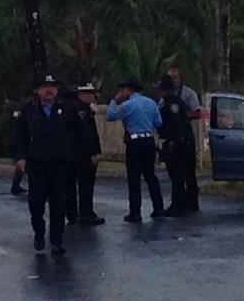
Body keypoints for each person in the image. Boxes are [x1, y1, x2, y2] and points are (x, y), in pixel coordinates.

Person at [12, 72, 80, 256]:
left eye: (52, 87)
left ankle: (57, 241)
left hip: (59, 163)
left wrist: (72, 155)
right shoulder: (29, 110)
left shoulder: (67, 108)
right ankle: (39, 233)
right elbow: (19, 136)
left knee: (59, 204)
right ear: (38, 90)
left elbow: (78, 133)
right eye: (44, 87)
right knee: (36, 204)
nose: (49, 91)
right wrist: (21, 157)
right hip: (37, 164)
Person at [106, 75, 164, 223]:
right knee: (150, 175)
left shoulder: (128, 105)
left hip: (135, 142)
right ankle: (158, 208)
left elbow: (110, 116)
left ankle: (135, 212)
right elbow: (158, 122)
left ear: (128, 90)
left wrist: (114, 100)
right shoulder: (151, 103)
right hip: (149, 140)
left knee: (134, 178)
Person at [66, 83, 106, 226]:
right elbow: (87, 134)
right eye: (88, 93)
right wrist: (94, 152)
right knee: (85, 184)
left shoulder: (72, 108)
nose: (92, 96)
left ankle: (72, 213)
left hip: (72, 153)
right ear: (81, 94)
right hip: (83, 154)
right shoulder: (81, 110)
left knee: (71, 184)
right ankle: (86, 213)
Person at [156, 75, 191, 217]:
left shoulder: (172, 104)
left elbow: (176, 125)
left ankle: (178, 205)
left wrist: (171, 140)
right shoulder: (166, 102)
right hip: (173, 142)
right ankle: (178, 204)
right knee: (175, 175)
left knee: (177, 175)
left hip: (175, 144)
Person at [168, 67, 201, 213]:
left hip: (187, 139)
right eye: (171, 78)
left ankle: (193, 203)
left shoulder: (188, 93)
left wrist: (180, 115)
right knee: (176, 174)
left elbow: (197, 113)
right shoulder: (166, 96)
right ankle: (179, 203)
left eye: (175, 77)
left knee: (189, 173)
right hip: (173, 139)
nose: (174, 81)